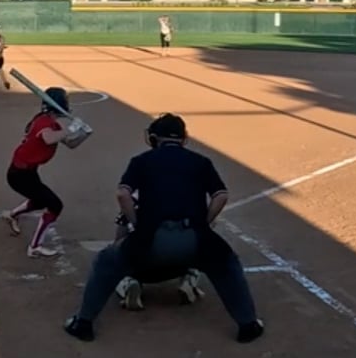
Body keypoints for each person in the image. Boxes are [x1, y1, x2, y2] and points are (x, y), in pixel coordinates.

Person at [63, 113, 263, 343]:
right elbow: (221, 196)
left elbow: (122, 194)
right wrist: (204, 224)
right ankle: (248, 325)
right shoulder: (201, 161)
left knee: (106, 262)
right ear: (183, 138)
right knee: (227, 265)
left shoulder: (141, 161)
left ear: (153, 138)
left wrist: (137, 225)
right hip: (194, 238)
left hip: (151, 239)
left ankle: (83, 324)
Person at [4, 88, 73, 257]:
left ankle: (12, 215)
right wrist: (69, 130)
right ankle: (34, 247)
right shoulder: (44, 122)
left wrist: (83, 132)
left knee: (40, 200)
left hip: (27, 172)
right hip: (19, 175)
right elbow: (48, 138)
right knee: (55, 205)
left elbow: (71, 144)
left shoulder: (52, 123)